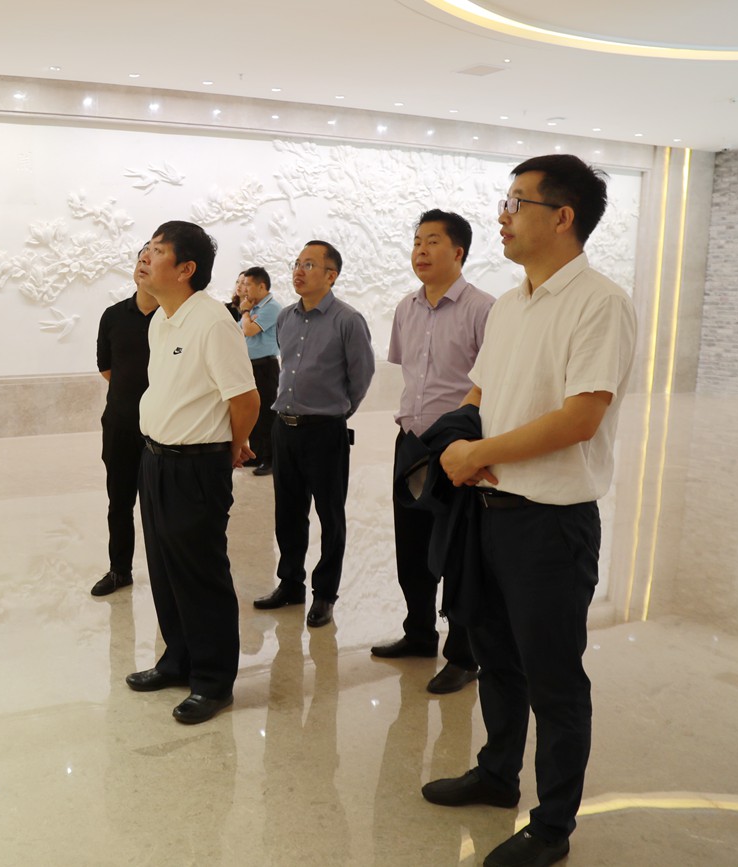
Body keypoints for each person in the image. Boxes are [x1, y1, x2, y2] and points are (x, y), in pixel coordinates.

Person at [421, 155, 637, 867]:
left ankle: (551, 824)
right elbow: (481, 393)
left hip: (550, 523)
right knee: (496, 658)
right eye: (505, 200)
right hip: (488, 511)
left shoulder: (600, 303)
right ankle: (496, 774)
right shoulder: (511, 305)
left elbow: (579, 417)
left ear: (562, 216)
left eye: (516, 202)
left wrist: (481, 453)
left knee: (554, 678)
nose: (502, 215)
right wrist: (457, 443)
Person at [125, 221, 259, 725]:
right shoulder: (162, 319)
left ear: (186, 269)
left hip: (196, 464)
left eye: (157, 250)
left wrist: (232, 446)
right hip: (155, 459)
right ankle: (177, 660)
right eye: (146, 248)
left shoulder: (212, 321)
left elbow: (245, 398)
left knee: (201, 575)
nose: (145, 257)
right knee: (164, 569)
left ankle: (213, 681)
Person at [371, 210, 495, 694]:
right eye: (417, 241)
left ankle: (464, 657)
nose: (420, 250)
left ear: (458, 252)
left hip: (458, 448)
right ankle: (419, 633)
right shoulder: (406, 308)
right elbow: (409, 371)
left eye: (433, 241)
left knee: (459, 554)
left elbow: (494, 385)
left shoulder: (484, 310)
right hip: (411, 442)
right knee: (413, 548)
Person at [253, 242, 374, 629]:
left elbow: (361, 377)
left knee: (330, 515)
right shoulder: (285, 317)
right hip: (284, 428)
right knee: (288, 513)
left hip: (325, 431)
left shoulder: (348, 320)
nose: (299, 271)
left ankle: (325, 594)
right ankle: (290, 584)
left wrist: (335, 412)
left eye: (309, 264)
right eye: (297, 263)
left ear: (331, 275)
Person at [91, 245, 158, 597]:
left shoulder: (174, 317)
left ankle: (166, 574)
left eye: (152, 259)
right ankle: (120, 570)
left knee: (159, 508)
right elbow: (106, 367)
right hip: (119, 424)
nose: (144, 264)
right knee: (119, 502)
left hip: (162, 430)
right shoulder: (113, 315)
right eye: (141, 259)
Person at [238, 267, 280, 476]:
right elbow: (238, 330)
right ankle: (257, 455)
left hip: (265, 367)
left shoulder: (271, 307)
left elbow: (249, 330)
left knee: (266, 414)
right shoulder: (254, 308)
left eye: (248, 284)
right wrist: (248, 314)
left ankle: (271, 459)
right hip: (250, 366)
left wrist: (245, 313)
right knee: (252, 411)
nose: (244, 289)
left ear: (261, 286)